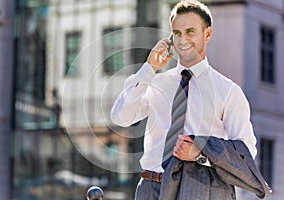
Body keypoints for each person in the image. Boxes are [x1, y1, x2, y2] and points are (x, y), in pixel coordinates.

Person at [111, 0, 268, 199]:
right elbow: (120, 117)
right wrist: (149, 68)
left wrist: (201, 154)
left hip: (201, 190)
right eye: (177, 33)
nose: (182, 40)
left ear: (207, 34)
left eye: (190, 31)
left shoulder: (228, 91)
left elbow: (247, 152)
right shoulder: (156, 83)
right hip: (152, 189)